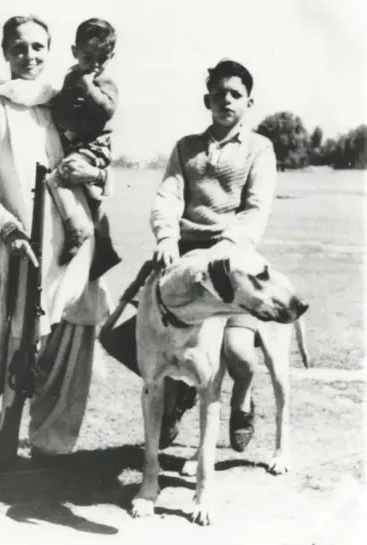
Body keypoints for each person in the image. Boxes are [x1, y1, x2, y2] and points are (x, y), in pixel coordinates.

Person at [0, 14, 112, 468]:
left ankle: (51, 446)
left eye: (38, 48)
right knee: (13, 344)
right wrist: (6, 229)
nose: (29, 56)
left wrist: (97, 172)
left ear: (51, 52)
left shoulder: (63, 101)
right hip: (22, 245)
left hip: (71, 241)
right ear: (6, 52)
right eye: (20, 47)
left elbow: (99, 152)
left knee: (68, 344)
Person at [150, 59, 278, 452]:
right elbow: (168, 196)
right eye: (219, 93)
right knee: (154, 342)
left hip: (232, 262)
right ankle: (176, 403)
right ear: (207, 99)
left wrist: (227, 247)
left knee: (239, 355)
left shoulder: (260, 148)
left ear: (249, 101)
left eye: (235, 94)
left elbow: (255, 208)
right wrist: (167, 237)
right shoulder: (186, 147)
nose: (227, 100)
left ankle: (241, 400)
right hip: (186, 260)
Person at [49, 17, 121, 279]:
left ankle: (77, 227)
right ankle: (104, 249)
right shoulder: (71, 77)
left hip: (94, 147)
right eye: (88, 57)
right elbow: (61, 108)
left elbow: (106, 110)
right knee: (90, 200)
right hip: (75, 143)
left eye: (103, 57)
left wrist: (88, 86)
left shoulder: (105, 82)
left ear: (111, 55)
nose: (95, 64)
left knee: (60, 175)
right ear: (74, 52)